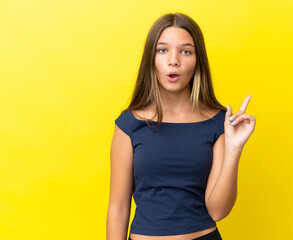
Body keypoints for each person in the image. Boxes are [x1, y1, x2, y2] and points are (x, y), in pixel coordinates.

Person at [106, 12, 256, 240]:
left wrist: (234, 149)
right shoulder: (129, 124)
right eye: (162, 50)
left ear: (197, 61)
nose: (173, 60)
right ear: (151, 59)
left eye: (185, 51)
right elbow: (118, 209)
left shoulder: (217, 123)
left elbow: (217, 211)